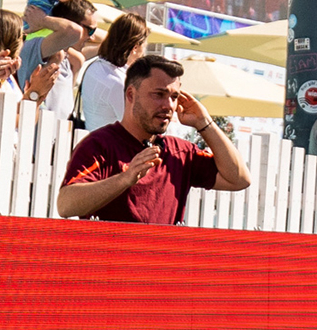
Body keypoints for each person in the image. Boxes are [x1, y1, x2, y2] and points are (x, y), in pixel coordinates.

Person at [58, 54, 250, 223]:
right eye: (159, 94)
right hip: (110, 262)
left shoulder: (179, 152)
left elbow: (239, 179)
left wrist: (205, 123)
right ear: (131, 95)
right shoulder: (99, 144)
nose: (168, 105)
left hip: (160, 263)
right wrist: (125, 179)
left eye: (174, 97)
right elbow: (66, 205)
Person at [19, 0, 102, 122]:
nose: (92, 37)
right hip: (34, 136)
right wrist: (43, 20)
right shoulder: (37, 48)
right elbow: (73, 31)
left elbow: (111, 41)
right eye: (90, 30)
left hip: (57, 137)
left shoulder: (69, 59)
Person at [0, 9, 58, 111]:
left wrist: (36, 93)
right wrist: (34, 92)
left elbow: (27, 118)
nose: (23, 42)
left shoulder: (6, 77)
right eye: (22, 37)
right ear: (10, 41)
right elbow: (10, 119)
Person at [81, 13, 149, 131]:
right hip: (109, 146)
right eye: (144, 44)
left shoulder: (96, 66)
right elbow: (136, 128)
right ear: (135, 47)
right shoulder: (118, 82)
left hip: (93, 140)